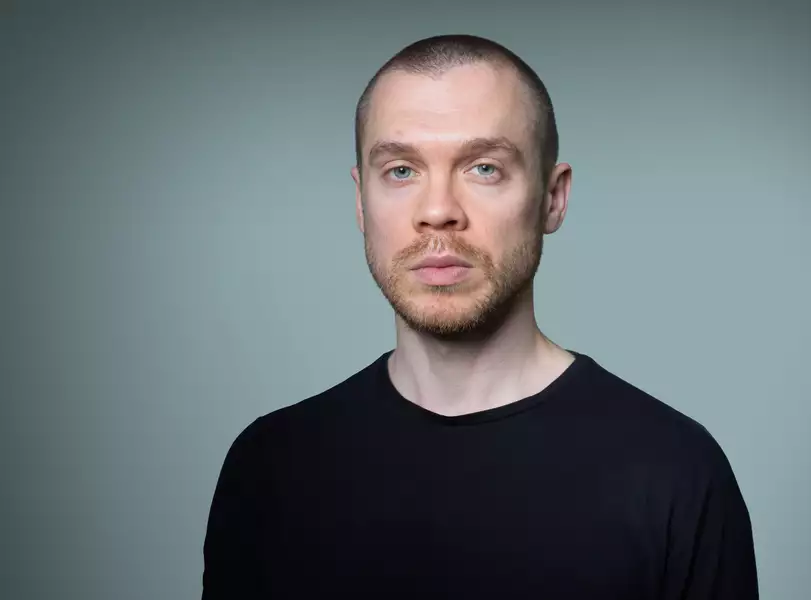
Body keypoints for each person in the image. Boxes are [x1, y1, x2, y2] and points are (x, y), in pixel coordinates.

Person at [202, 34, 758, 599]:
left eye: (484, 168)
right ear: (360, 202)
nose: (438, 211)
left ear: (552, 198)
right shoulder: (268, 469)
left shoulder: (677, 474)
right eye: (400, 170)